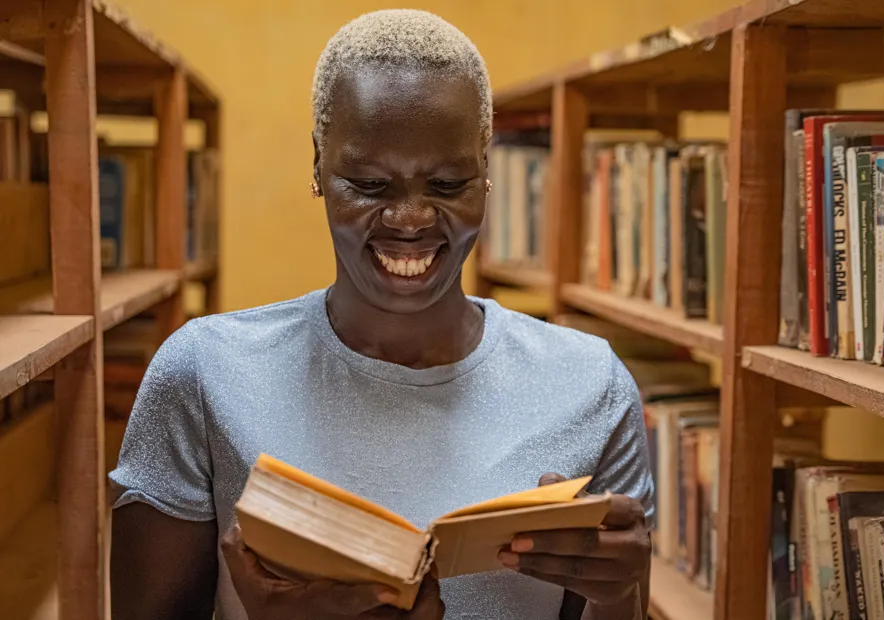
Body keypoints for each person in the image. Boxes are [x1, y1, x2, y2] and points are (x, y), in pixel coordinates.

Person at [109, 9, 653, 620]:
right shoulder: (204, 374)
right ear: (318, 166)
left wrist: (623, 594)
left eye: (448, 184)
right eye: (368, 184)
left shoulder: (590, 387)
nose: (411, 218)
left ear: (486, 168)